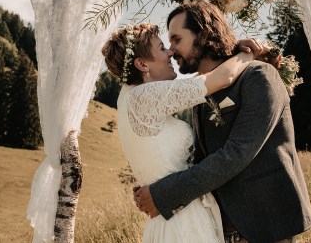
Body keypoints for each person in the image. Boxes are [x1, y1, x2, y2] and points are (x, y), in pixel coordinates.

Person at [134, 0, 311, 243]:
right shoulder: (200, 93)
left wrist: (165, 194)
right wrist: (153, 182)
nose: (172, 49)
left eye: (177, 39)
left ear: (204, 34)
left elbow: (237, 153)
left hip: (265, 224)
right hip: (220, 228)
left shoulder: (259, 76)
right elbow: (203, 156)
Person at [102, 22, 261, 243]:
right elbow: (223, 78)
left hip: (171, 214)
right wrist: (248, 53)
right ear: (141, 63)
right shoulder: (143, 97)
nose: (170, 53)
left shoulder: (129, 97)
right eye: (161, 48)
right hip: (182, 220)